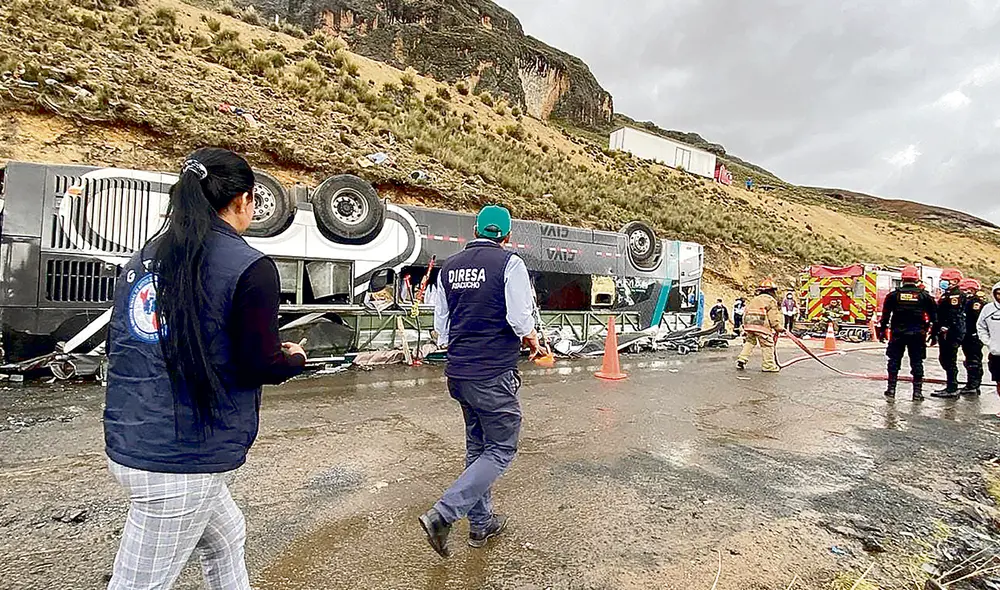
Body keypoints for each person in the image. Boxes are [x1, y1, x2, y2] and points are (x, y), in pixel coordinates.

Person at [103, 149, 307, 589]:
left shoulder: (144, 257)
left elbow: (122, 344)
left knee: (225, 537)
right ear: (243, 200)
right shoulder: (249, 266)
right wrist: (293, 359)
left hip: (133, 433)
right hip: (182, 457)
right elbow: (260, 363)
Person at [419, 204, 543, 558]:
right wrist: (533, 340)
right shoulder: (509, 264)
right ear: (507, 235)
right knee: (502, 448)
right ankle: (443, 514)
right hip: (492, 373)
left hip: (459, 374)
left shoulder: (449, 267)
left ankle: (481, 524)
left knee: (478, 449)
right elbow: (519, 319)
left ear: (474, 231)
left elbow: (442, 328)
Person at [879, 266, 937, 400]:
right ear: (916, 279)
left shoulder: (893, 295)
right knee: (917, 362)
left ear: (902, 279)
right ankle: (917, 392)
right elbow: (934, 317)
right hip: (917, 334)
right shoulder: (924, 296)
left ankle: (891, 389)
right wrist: (933, 334)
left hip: (898, 333)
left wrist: (882, 332)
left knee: (894, 361)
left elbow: (885, 316)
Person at [931, 268, 967, 398]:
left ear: (955, 281)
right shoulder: (948, 294)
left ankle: (952, 388)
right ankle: (950, 386)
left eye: (945, 280)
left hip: (951, 332)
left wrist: (946, 326)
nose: (942, 282)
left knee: (949, 360)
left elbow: (954, 314)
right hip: (946, 331)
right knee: (945, 359)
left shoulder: (955, 296)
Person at [736, 279, 783, 372]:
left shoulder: (755, 299)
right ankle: (768, 365)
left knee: (750, 341)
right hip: (761, 326)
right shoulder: (770, 300)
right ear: (772, 291)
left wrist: (745, 326)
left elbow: (746, 312)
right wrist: (777, 327)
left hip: (749, 324)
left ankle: (742, 358)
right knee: (767, 345)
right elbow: (773, 317)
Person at [959, 278, 986, 395]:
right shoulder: (967, 301)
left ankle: (973, 385)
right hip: (968, 334)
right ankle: (971, 384)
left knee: (974, 361)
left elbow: (977, 320)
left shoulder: (976, 303)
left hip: (974, 336)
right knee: (969, 360)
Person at [976, 282, 1000, 401]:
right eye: (998, 293)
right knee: (999, 381)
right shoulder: (988, 309)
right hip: (996, 353)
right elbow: (981, 326)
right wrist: (988, 342)